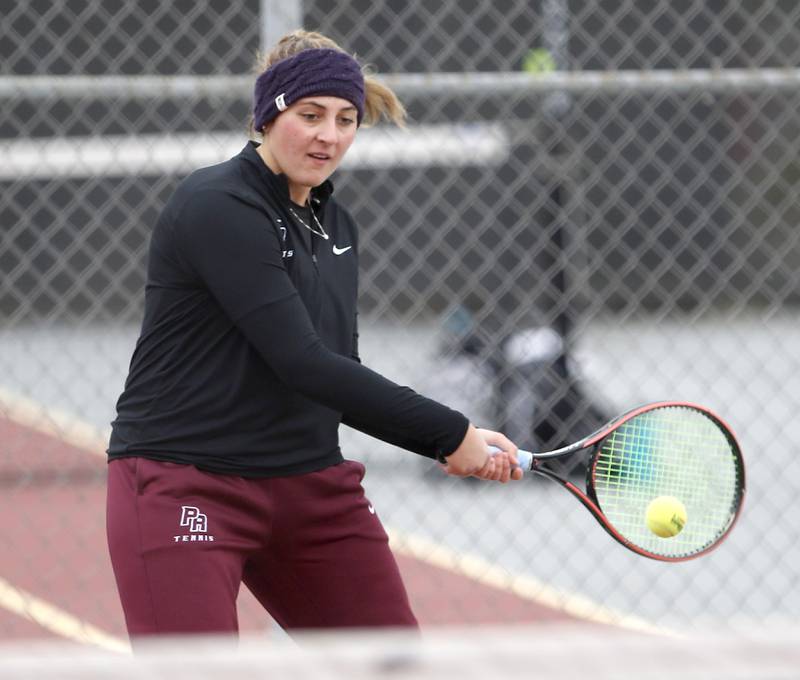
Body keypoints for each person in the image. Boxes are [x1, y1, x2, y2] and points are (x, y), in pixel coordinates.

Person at [106, 29, 522, 641]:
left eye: (346, 119)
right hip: (186, 483)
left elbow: (337, 369)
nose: (329, 135)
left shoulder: (337, 224)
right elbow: (300, 362)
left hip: (312, 491)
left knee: (394, 662)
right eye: (310, 115)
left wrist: (459, 437)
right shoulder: (217, 204)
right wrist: (447, 432)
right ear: (268, 114)